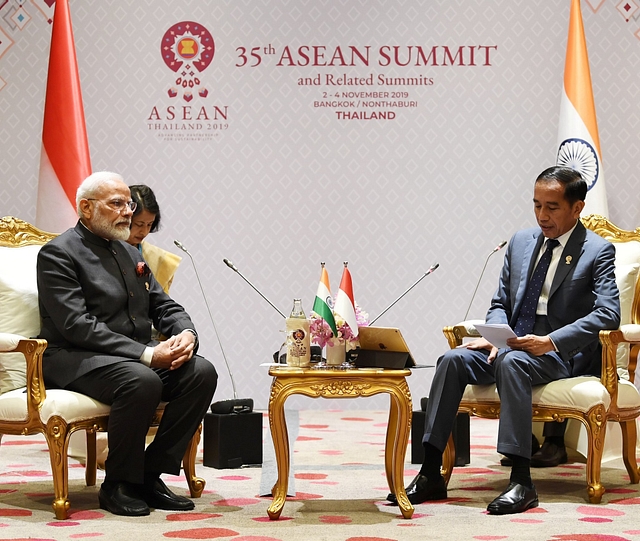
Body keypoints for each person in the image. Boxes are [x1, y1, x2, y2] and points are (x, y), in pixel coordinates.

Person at [392, 166, 620, 514]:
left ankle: (521, 480)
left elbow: (608, 314)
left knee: (513, 363)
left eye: (552, 207)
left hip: (559, 353)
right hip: (513, 344)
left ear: (577, 208)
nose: (542, 215)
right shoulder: (520, 242)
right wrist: (497, 336)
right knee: (452, 360)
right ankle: (430, 472)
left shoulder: (596, 251)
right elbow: (499, 303)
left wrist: (551, 341)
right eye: (537, 205)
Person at [36, 171, 218, 517]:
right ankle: (118, 484)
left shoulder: (128, 250)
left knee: (201, 372)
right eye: (116, 203)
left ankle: (150, 475)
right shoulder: (57, 253)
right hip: (76, 358)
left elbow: (163, 305)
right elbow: (76, 325)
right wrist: (148, 354)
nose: (127, 212)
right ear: (86, 208)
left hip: (130, 359)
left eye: (128, 204)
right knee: (142, 379)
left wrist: (186, 334)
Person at [127, 184, 181, 294]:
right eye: (139, 224)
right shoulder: (104, 250)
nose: (144, 231)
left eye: (149, 224)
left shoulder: (161, 260)